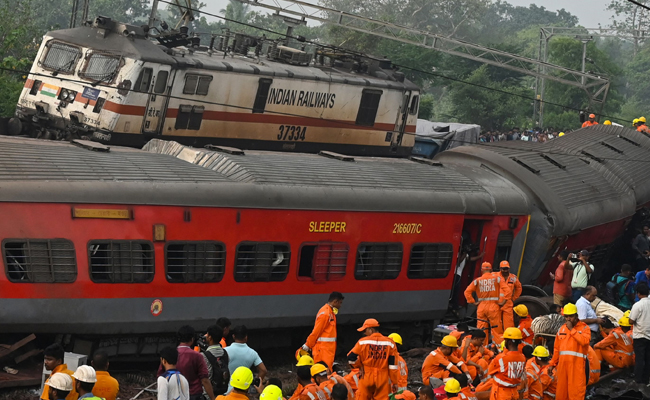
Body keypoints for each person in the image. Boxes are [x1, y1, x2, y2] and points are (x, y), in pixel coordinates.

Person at [347, 318, 399, 400]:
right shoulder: (390, 343)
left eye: (365, 330)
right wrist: (395, 382)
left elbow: (350, 358)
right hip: (383, 379)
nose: (364, 333)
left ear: (370, 330)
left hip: (366, 376)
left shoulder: (362, 342)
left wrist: (359, 367)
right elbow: (392, 366)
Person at [157, 326, 214, 400]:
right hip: (195, 395)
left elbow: (160, 374)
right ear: (192, 339)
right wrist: (212, 398)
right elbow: (205, 380)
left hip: (175, 394)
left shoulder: (170, 354)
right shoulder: (197, 356)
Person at [548, 303, 590, 400]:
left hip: (577, 368)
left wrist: (572, 330)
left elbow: (584, 341)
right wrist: (552, 364)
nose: (568, 319)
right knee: (561, 395)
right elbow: (557, 349)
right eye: (566, 316)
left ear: (576, 316)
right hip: (562, 368)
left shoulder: (584, 328)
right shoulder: (561, 329)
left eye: (571, 316)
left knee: (576, 394)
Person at [464, 262, 504, 343]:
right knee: (496, 330)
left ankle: (482, 349)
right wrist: (503, 301)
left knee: (481, 331)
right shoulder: (497, 279)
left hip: (481, 307)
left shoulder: (477, 281)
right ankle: (498, 348)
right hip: (494, 306)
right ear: (491, 269)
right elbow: (507, 290)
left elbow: (467, 292)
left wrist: (473, 302)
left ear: (482, 270)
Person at [303, 292, 344, 368]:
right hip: (323, 350)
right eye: (340, 303)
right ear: (335, 301)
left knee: (325, 371)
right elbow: (316, 331)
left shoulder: (329, 313)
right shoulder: (325, 314)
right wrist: (308, 345)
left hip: (326, 349)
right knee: (323, 372)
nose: (340, 306)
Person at [487, 327, 526, 400]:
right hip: (514, 393)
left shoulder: (500, 358)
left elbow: (490, 371)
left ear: (509, 342)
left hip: (501, 394)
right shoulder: (523, 358)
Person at [225, 325, 267, 392]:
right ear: (246, 337)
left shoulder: (225, 351)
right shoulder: (253, 353)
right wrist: (255, 382)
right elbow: (263, 370)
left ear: (233, 336)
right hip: (244, 390)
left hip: (227, 390)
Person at [630, 283, 650, 384]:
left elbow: (631, 320)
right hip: (649, 335)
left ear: (638, 294)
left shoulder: (637, 305)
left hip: (640, 335)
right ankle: (646, 379)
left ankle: (638, 380)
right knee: (648, 359)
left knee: (639, 359)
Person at [202, 324, 230, 396]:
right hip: (222, 393)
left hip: (208, 395)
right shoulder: (225, 353)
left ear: (210, 337)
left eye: (207, 334)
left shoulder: (204, 356)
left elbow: (206, 379)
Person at [498, 261, 522, 330]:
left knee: (509, 325)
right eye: (503, 269)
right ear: (500, 269)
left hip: (508, 303)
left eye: (506, 268)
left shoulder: (513, 278)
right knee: (496, 325)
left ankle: (509, 338)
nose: (505, 270)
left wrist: (514, 298)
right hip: (497, 303)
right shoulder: (495, 277)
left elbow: (519, 288)